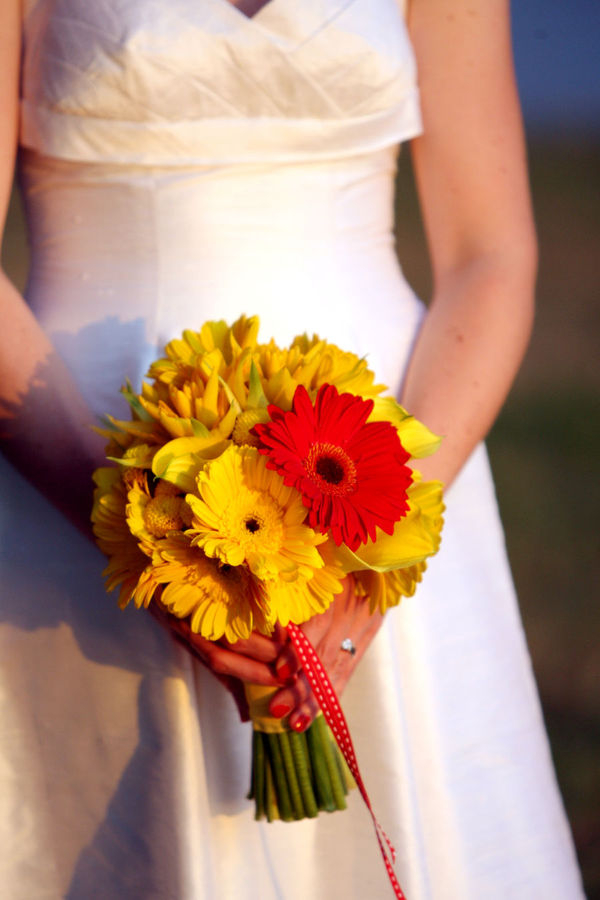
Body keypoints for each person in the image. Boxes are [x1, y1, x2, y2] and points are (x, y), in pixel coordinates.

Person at [0, 0, 583, 897]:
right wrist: (144, 534)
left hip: (392, 466)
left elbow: (490, 253)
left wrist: (376, 547)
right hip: (80, 464)